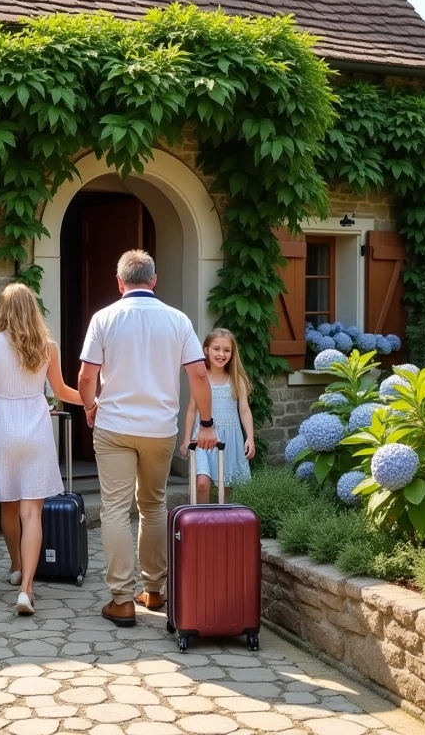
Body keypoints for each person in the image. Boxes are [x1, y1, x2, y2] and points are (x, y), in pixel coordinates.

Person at [77, 250, 217, 627]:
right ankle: (155, 590)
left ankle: (121, 599)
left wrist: (90, 407)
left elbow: (87, 377)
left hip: (115, 427)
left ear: (119, 282)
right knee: (153, 506)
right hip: (159, 428)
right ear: (154, 280)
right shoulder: (177, 320)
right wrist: (206, 423)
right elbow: (199, 376)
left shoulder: (104, 318)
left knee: (116, 509)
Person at [0, 283, 83, 616]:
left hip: (3, 428)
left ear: (2, 310)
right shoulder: (48, 346)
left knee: (9, 509)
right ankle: (27, 588)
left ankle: (16, 565)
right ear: (33, 310)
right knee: (33, 513)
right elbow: (60, 390)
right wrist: (95, 401)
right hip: (37, 429)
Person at [182, 328, 255, 503]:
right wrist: (186, 439)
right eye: (216, 349)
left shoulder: (237, 379)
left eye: (227, 350)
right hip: (203, 438)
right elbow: (192, 409)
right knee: (201, 483)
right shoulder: (200, 378)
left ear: (232, 352)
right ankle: (202, 524)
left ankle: (223, 526)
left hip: (230, 438)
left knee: (227, 489)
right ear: (206, 349)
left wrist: (250, 438)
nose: (221, 354)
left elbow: (244, 409)